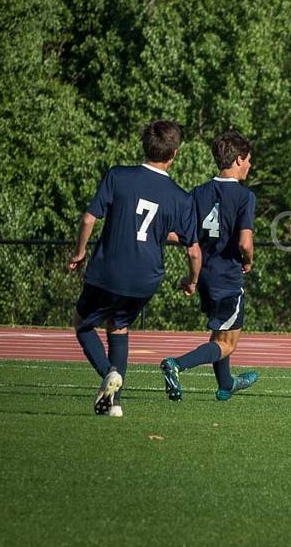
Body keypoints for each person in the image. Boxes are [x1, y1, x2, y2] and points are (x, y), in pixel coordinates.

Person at [68, 119, 201, 418]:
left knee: (82, 323)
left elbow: (89, 219)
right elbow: (193, 250)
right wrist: (192, 281)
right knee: (119, 326)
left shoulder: (119, 176)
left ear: (144, 145)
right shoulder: (180, 197)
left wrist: (78, 253)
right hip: (146, 277)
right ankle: (114, 403)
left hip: (109, 269)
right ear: (174, 154)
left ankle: (108, 373)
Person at [160, 130, 259, 402]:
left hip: (204, 276)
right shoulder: (244, 196)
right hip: (228, 277)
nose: (250, 164)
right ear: (238, 160)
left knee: (219, 332)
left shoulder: (198, 193)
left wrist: (190, 278)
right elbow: (245, 242)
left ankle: (226, 384)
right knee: (226, 343)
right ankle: (176, 364)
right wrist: (248, 261)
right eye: (249, 159)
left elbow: (180, 234)